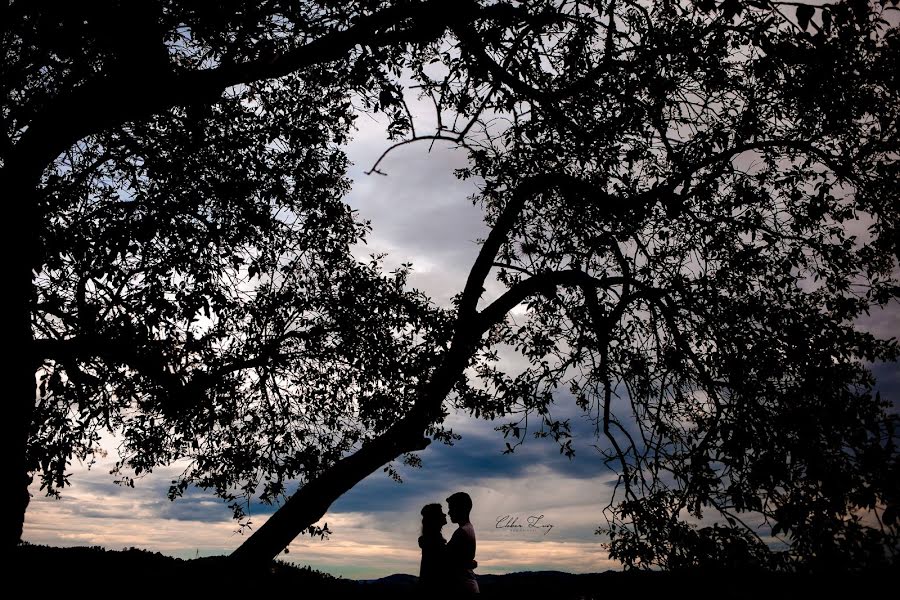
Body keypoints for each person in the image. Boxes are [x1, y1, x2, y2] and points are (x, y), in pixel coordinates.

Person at [445, 491, 480, 594]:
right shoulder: (468, 528)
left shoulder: (461, 532)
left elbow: (445, 560)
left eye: (451, 508)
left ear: (461, 509)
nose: (449, 512)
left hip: (463, 588)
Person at [418, 503, 448, 594]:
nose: (445, 514)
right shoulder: (434, 542)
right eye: (441, 513)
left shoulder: (431, 540)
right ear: (435, 519)